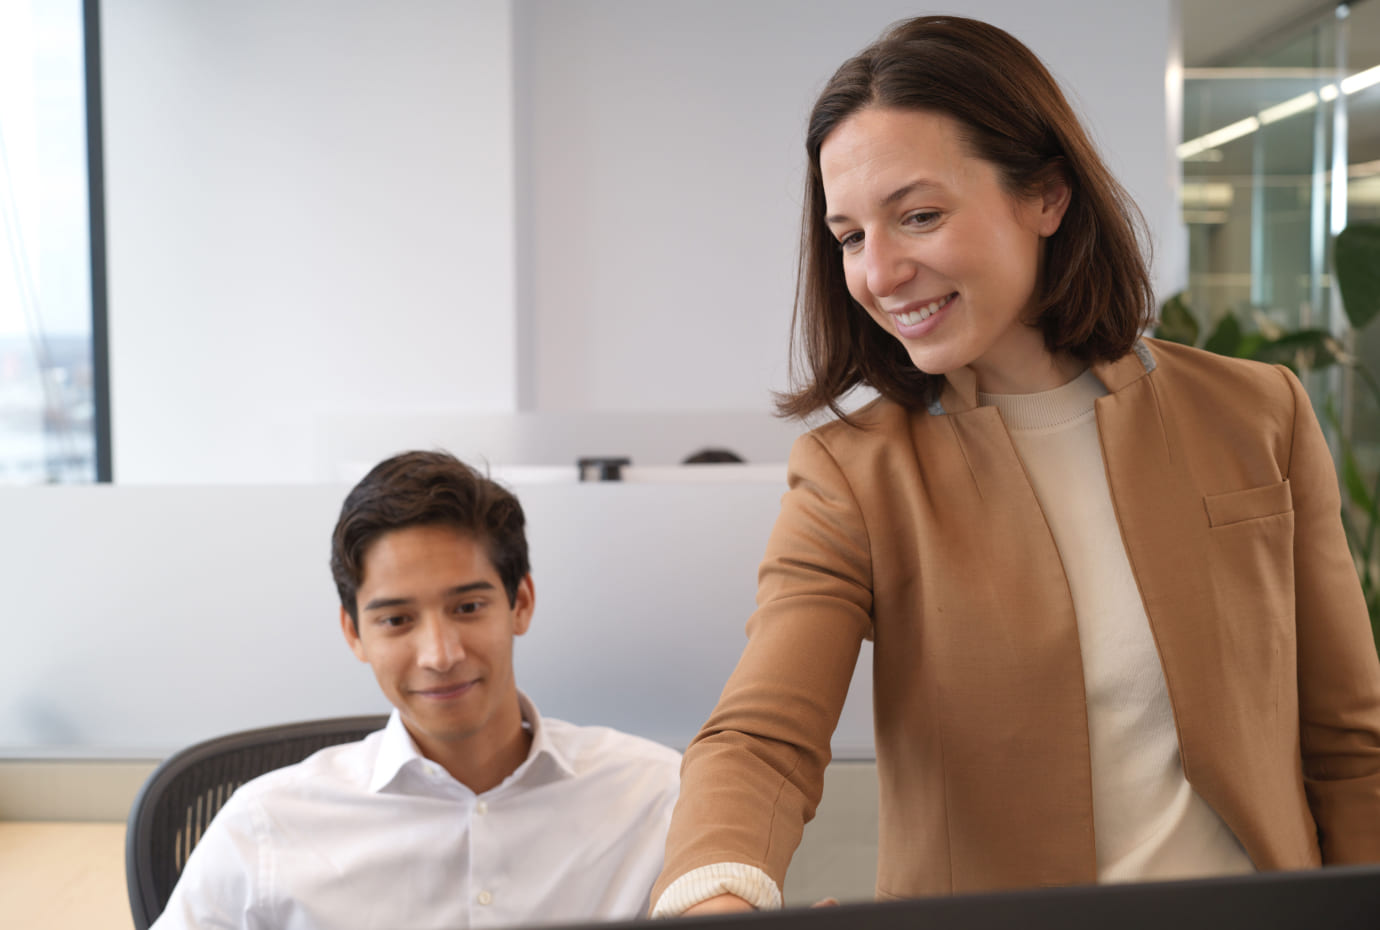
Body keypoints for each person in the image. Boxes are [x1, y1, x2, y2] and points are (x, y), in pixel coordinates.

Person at [651, 14, 1380, 917]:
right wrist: (717, 891)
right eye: (848, 237)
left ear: (1046, 196)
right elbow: (762, 733)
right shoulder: (855, 475)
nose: (878, 273)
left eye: (918, 216)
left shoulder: (1255, 412)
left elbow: (1351, 747)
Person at [154, 450, 680, 930]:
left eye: (468, 608)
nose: (440, 655)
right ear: (354, 633)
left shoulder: (656, 799)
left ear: (520, 603)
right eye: (397, 620)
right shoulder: (265, 829)